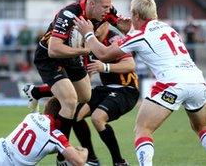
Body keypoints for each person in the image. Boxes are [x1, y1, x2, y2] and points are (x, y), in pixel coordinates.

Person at [73, 0, 206, 166]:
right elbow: (140, 36)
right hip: (197, 82)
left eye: (132, 14)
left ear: (137, 16)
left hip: (172, 84)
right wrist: (124, 27)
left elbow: (103, 54)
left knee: (142, 129)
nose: (130, 17)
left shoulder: (140, 35)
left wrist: (88, 34)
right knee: (202, 126)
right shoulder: (168, 28)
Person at [32, 0, 131, 162]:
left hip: (74, 56)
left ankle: (37, 93)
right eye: (105, 7)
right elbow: (54, 50)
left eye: (110, 7)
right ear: (92, 4)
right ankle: (62, 158)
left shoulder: (107, 12)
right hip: (49, 58)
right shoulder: (69, 14)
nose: (108, 11)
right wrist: (86, 50)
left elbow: (125, 27)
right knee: (70, 102)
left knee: (85, 96)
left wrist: (136, 24)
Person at [24, 22, 138, 166]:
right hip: (105, 89)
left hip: (126, 89)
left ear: (107, 24)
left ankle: (119, 162)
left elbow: (130, 64)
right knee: (75, 115)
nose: (95, 28)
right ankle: (92, 159)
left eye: (99, 25)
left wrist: (105, 67)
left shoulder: (113, 39)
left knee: (98, 118)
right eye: (93, 25)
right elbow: (83, 80)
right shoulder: (88, 43)